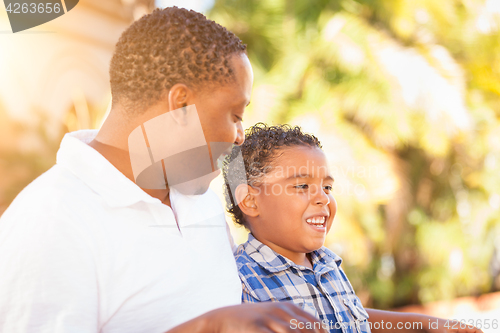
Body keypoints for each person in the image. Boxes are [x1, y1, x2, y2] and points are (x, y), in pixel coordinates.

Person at [0, 7, 326, 333]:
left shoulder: (201, 204)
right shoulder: (51, 221)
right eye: (235, 115)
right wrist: (205, 328)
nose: (240, 136)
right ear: (181, 105)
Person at [222, 123, 484, 333]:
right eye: (302, 186)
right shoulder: (241, 280)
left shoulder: (326, 264)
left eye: (327, 187)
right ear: (250, 201)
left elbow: (354, 318)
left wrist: (426, 325)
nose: (323, 198)